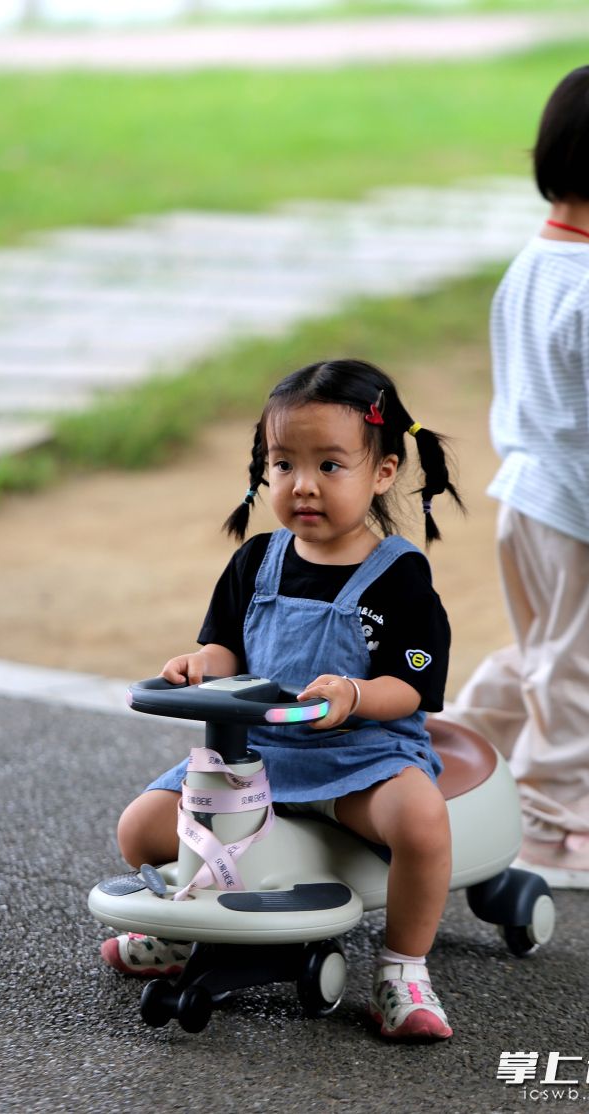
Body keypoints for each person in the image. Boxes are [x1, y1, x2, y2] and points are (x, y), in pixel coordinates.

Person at [100, 359, 463, 1040]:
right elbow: (225, 651)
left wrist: (353, 695)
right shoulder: (254, 561)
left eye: (330, 465)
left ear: (382, 471)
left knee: (419, 822)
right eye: (283, 463)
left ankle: (403, 970)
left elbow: (410, 686)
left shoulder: (399, 576)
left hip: (359, 754)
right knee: (140, 830)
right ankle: (182, 929)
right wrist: (197, 665)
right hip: (255, 752)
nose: (302, 485)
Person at [441, 62, 589, 890]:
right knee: (587, 672)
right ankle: (549, 825)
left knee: (540, 654)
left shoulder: (527, 267)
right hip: (583, 519)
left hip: (525, 502)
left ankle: (446, 753)